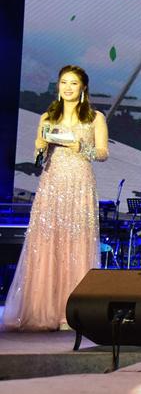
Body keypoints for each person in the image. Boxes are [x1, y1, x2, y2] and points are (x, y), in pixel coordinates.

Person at [3, 65, 108, 331]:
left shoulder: (95, 118)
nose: (68, 87)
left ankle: (72, 313)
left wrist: (80, 146)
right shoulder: (47, 117)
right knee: (47, 243)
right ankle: (44, 309)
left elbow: (103, 153)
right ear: (58, 86)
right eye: (63, 82)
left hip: (80, 184)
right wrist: (40, 147)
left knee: (76, 243)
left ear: (83, 87)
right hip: (52, 184)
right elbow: (39, 158)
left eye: (73, 83)